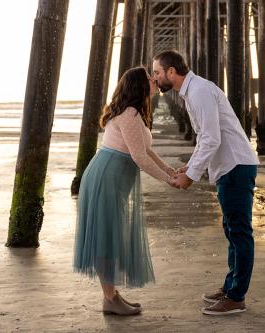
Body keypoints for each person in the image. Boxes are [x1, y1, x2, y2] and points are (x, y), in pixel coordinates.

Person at [152, 51, 260, 315]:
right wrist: (191, 164)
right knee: (231, 231)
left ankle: (236, 297)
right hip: (229, 167)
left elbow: (212, 138)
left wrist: (190, 177)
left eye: (156, 72)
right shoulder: (192, 92)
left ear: (171, 72)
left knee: (239, 233)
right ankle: (230, 287)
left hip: (235, 165)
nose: (154, 78)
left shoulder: (199, 91)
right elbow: (204, 137)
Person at [73, 67, 176, 316]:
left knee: (109, 235)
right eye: (150, 77)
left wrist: (169, 169)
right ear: (139, 86)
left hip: (111, 178)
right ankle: (110, 298)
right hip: (106, 179)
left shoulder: (134, 113)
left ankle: (112, 296)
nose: (155, 79)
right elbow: (139, 157)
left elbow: (146, 150)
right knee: (105, 237)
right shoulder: (129, 114)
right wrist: (167, 180)